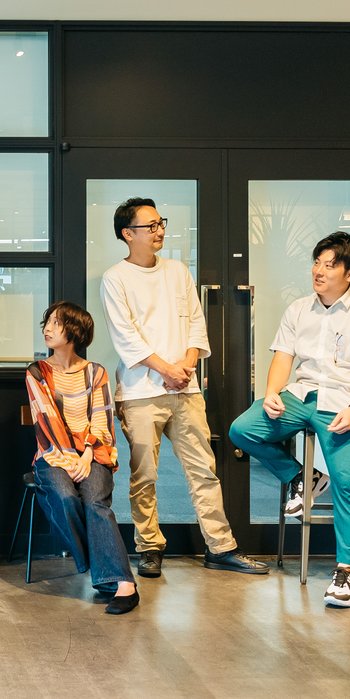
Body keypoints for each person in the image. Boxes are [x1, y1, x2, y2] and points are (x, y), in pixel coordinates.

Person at [227, 232, 350, 608]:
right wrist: (273, 392)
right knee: (243, 429)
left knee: (348, 481)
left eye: (329, 265)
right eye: (317, 262)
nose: (319, 271)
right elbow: (283, 357)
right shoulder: (299, 309)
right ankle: (301, 477)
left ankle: (346, 573)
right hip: (303, 395)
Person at [100, 198, 268, 578]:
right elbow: (125, 336)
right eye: (150, 225)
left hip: (186, 389)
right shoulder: (115, 278)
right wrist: (166, 370)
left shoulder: (177, 271)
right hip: (141, 392)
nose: (159, 230)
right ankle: (149, 547)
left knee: (203, 470)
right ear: (128, 233)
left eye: (161, 223)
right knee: (144, 476)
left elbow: (195, 322)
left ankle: (221, 547)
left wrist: (186, 367)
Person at [26, 302, 139, 615]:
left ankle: (125, 585)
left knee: (95, 502)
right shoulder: (37, 372)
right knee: (64, 496)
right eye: (47, 321)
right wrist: (70, 460)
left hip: (93, 453)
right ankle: (106, 571)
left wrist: (87, 455)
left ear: (74, 331)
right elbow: (46, 423)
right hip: (52, 454)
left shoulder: (96, 372)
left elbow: (102, 419)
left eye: (56, 322)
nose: (48, 328)